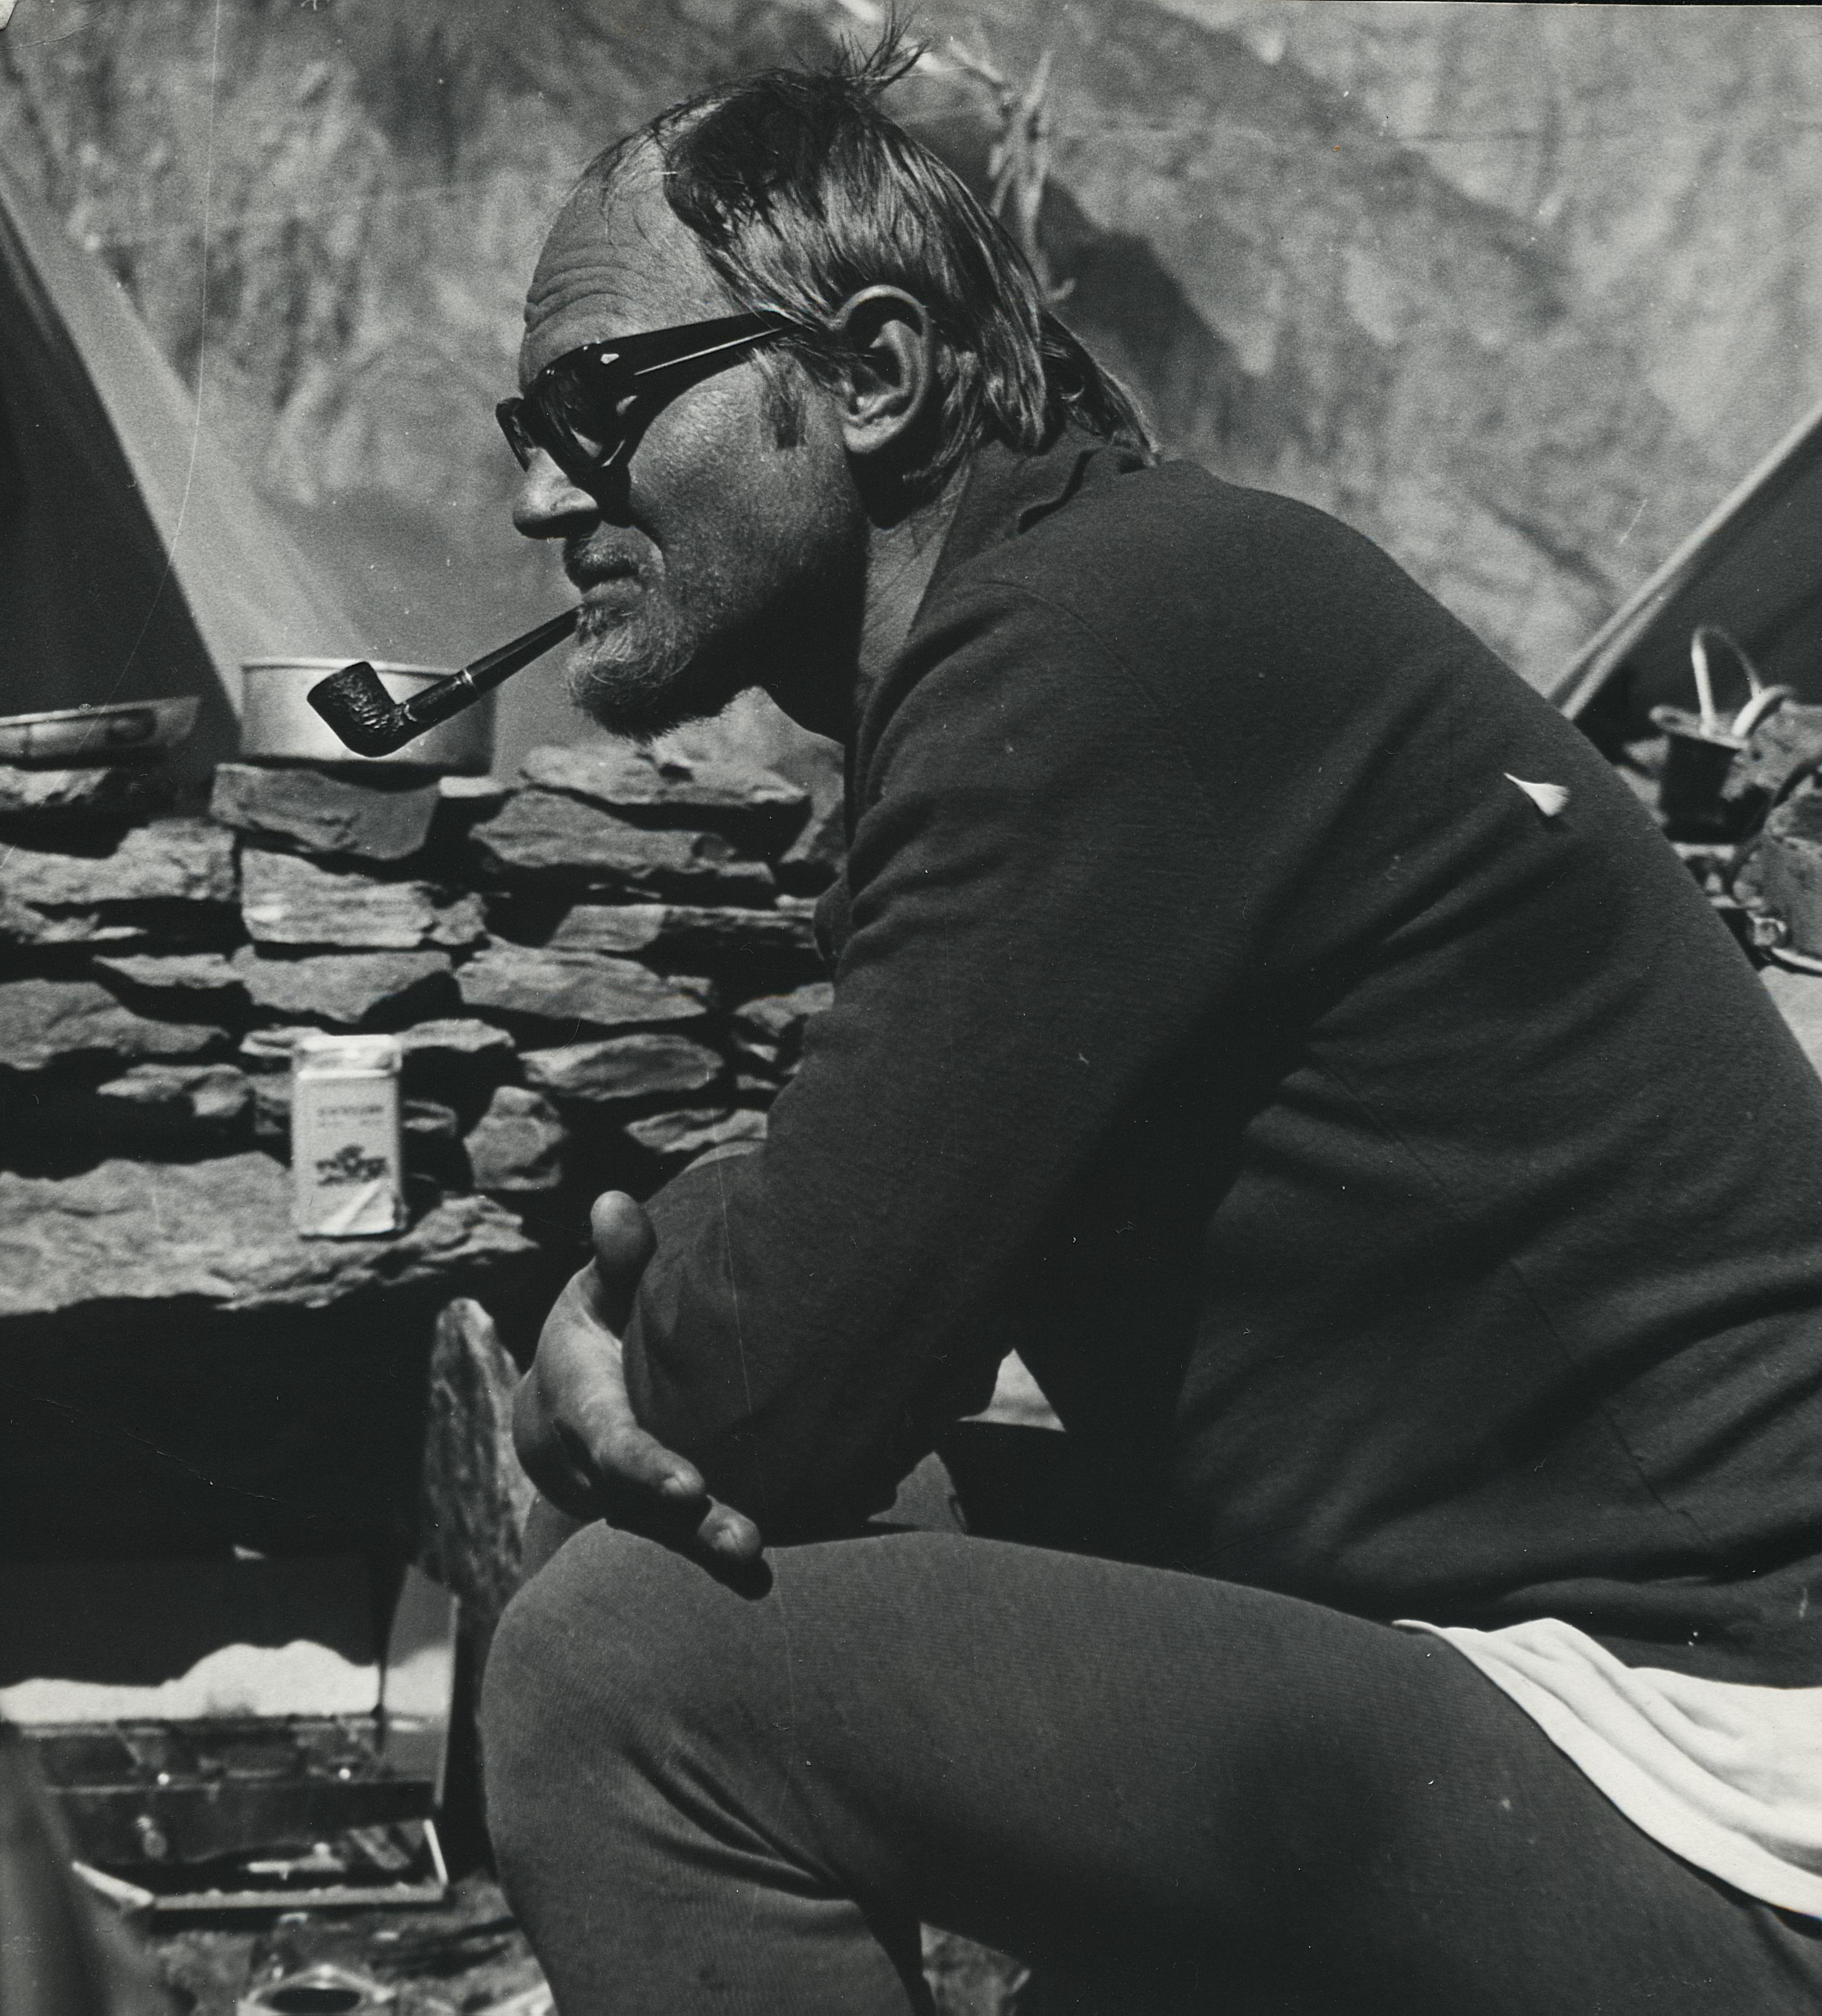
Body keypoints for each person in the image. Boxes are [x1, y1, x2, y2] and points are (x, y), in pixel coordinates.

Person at [479, 36, 1821, 2016]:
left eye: (600, 405)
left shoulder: (1084, 641)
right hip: (1595, 1708)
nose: (537, 495)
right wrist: (716, 1249)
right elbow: (878, 1256)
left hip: (1706, 1764)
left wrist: (608, 1334)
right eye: (526, 424)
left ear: (869, 374)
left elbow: (775, 1391)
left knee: (618, 1672)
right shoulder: (1118, 609)